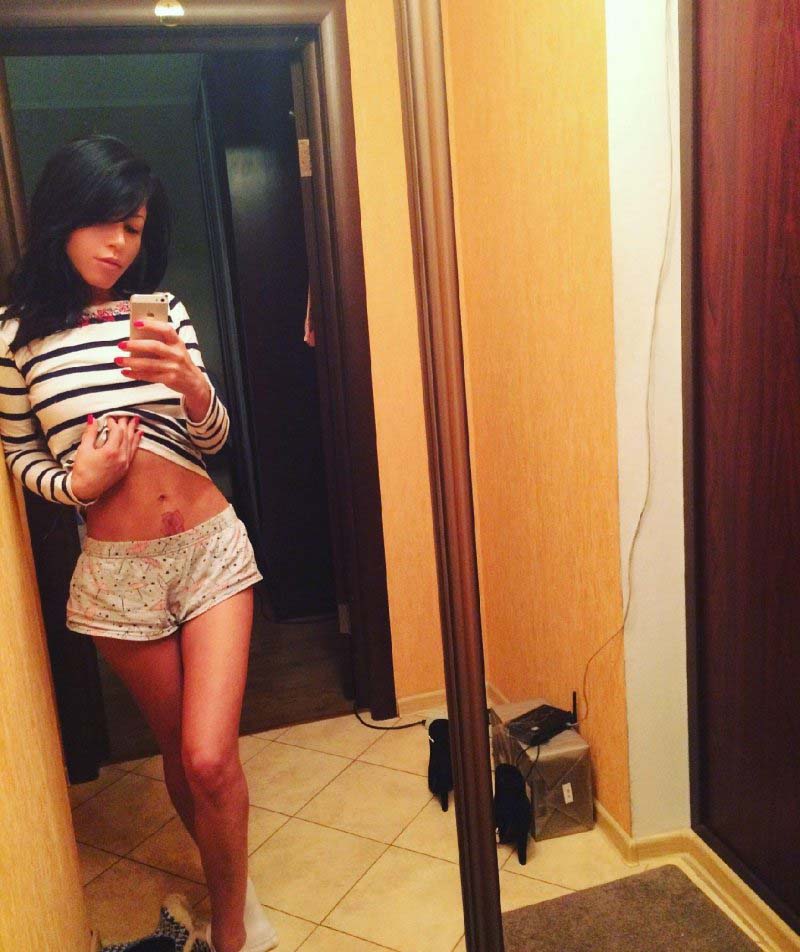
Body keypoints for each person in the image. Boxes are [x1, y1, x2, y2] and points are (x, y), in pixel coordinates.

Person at [0, 136, 277, 952]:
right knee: (179, 756)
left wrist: (191, 385)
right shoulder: (14, 337)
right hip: (118, 576)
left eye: (134, 227)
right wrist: (76, 484)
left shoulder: (162, 312)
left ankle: (234, 928)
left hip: (209, 548)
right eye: (105, 222)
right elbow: (19, 457)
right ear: (64, 217)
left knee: (209, 755)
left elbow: (214, 438)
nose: (120, 243)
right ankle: (232, 881)